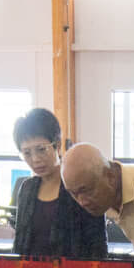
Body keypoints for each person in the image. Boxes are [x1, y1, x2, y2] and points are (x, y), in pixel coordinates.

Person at [10, 108, 106, 259]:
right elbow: (19, 244)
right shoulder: (27, 189)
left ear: (58, 145)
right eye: (27, 153)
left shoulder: (80, 185)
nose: (35, 159)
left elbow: (97, 245)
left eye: (41, 149)